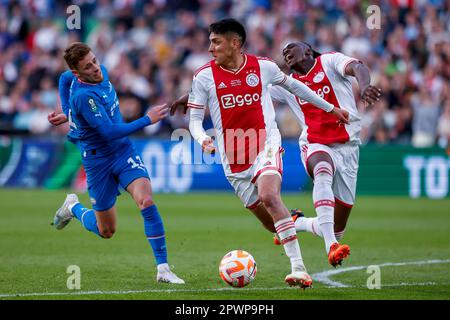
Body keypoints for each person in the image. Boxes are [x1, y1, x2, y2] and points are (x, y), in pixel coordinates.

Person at [171, 18, 349, 287]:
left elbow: (295, 86)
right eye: (210, 42)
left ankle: (299, 268)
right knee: (271, 225)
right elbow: (194, 121)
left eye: (215, 42)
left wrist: (330, 108)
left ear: (235, 43)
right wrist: (202, 139)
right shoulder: (203, 77)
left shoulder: (262, 67)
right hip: (233, 161)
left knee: (269, 195)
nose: (210, 48)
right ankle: (303, 223)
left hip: (265, 144)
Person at [49, 42, 184, 284]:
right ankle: (73, 208)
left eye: (94, 61)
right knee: (106, 231)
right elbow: (109, 132)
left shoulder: (101, 72)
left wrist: (67, 114)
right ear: (79, 73)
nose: (95, 68)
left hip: (123, 153)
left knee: (146, 200)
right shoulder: (83, 97)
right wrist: (147, 119)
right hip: (97, 161)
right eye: (88, 67)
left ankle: (163, 268)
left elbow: (62, 78)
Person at [269, 41, 381, 266]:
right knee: (322, 169)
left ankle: (298, 223)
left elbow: (358, 67)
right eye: (283, 52)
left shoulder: (328, 61)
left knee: (335, 228)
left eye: (291, 47)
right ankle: (331, 247)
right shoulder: (287, 83)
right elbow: (252, 88)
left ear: (308, 51)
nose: (285, 52)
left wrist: (365, 85)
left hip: (348, 148)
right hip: (314, 143)